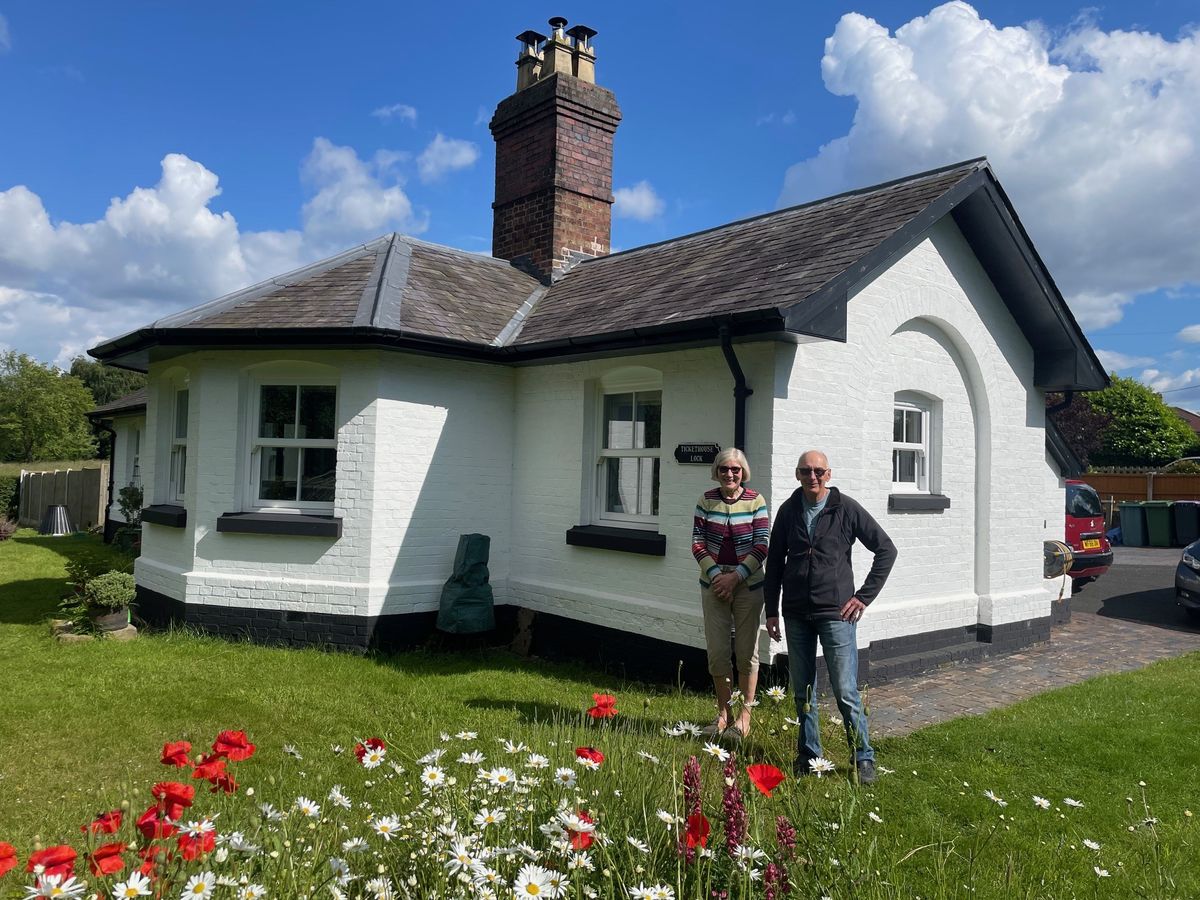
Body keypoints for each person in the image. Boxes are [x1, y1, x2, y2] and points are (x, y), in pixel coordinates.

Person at [763, 450, 897, 783]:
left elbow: (886, 549)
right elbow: (775, 562)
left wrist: (863, 597)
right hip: (796, 613)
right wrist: (772, 610)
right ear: (797, 474)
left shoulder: (845, 509)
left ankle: (863, 755)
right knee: (802, 690)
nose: (813, 477)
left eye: (819, 471)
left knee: (845, 690)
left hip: (836, 614)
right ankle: (809, 754)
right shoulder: (789, 510)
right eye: (806, 471)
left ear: (829, 474)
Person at [691, 448, 770, 741]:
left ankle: (744, 716)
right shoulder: (706, 500)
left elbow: (762, 544)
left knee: (747, 652)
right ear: (717, 471)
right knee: (718, 652)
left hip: (747, 586)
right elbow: (697, 543)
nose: (730, 474)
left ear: (743, 472)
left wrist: (735, 577)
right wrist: (717, 578)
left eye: (735, 469)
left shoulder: (756, 500)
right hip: (713, 586)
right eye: (724, 468)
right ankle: (723, 713)